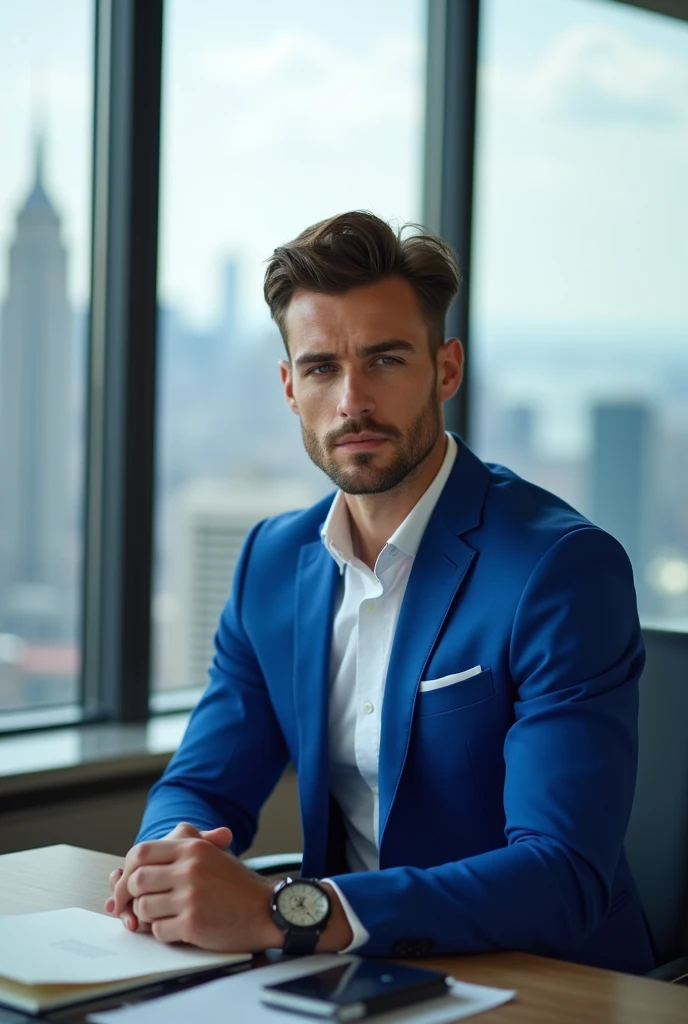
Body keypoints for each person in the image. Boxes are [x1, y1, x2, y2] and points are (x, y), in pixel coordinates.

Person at [107, 211, 654, 974]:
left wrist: (294, 913)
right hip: (353, 973)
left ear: (447, 369)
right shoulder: (272, 560)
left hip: (544, 982)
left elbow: (562, 878)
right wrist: (168, 862)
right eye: (323, 367)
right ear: (289, 387)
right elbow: (201, 784)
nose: (352, 400)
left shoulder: (559, 570)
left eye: (386, 360)